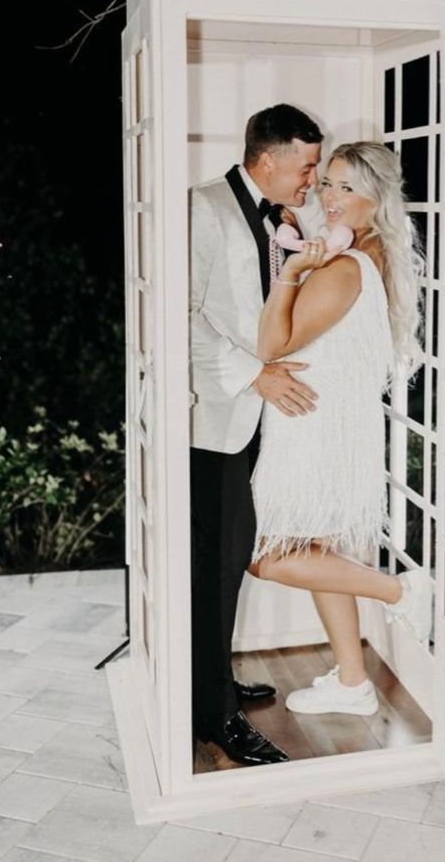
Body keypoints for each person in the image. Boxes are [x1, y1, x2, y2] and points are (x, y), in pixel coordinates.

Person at [247, 141, 432, 716]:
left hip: (310, 425)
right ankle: (353, 683)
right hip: (329, 421)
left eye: (346, 187)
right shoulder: (369, 257)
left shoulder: (346, 269)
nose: (329, 197)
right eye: (327, 182)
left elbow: (271, 345)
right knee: (317, 548)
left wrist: (291, 273)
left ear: (376, 199)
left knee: (265, 556)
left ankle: (401, 590)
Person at [189, 103, 324, 765]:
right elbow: (179, 315)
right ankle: (214, 714)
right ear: (267, 159)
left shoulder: (282, 218)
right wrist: (254, 375)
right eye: (305, 166)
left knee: (227, 557)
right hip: (214, 417)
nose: (311, 178)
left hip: (257, 419)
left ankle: (207, 681)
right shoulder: (204, 207)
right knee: (218, 562)